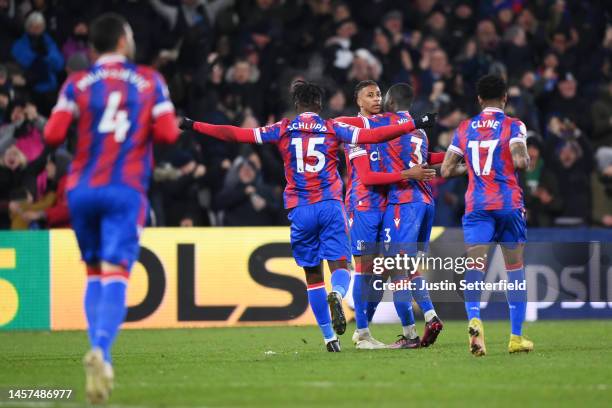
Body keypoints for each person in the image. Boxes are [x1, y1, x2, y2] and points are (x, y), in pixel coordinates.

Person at [181, 80, 436, 352]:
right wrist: (415, 122)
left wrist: (194, 125)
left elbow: (235, 134)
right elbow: (373, 136)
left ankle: (329, 339)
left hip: (299, 208)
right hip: (330, 205)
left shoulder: (283, 128)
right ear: (319, 105)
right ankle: (337, 294)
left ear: (296, 105)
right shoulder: (331, 127)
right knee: (343, 268)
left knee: (313, 276)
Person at [43, 13, 179, 403]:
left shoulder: (76, 82)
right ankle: (101, 351)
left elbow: (52, 134)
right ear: (122, 41)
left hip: (81, 189)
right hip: (125, 188)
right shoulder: (151, 80)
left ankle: (98, 351)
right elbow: (169, 133)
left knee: (93, 271)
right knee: (116, 272)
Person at [334, 80, 439, 350]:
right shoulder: (355, 130)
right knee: (366, 270)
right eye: (369, 95)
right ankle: (364, 333)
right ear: (358, 101)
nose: (376, 98)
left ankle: (372, 329)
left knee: (388, 270)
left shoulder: (387, 125)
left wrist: (453, 156)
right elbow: (367, 177)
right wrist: (408, 174)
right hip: (365, 204)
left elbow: (415, 153)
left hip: (389, 204)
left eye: (379, 94)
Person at [441, 74, 533, 356]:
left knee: (475, 266)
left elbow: (446, 170)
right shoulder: (514, 125)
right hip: (507, 205)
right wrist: (521, 159)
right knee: (515, 270)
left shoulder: (465, 127)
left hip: (477, 206)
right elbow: (521, 161)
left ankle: (474, 318)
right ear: (505, 97)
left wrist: (472, 167)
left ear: (479, 99)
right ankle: (516, 338)